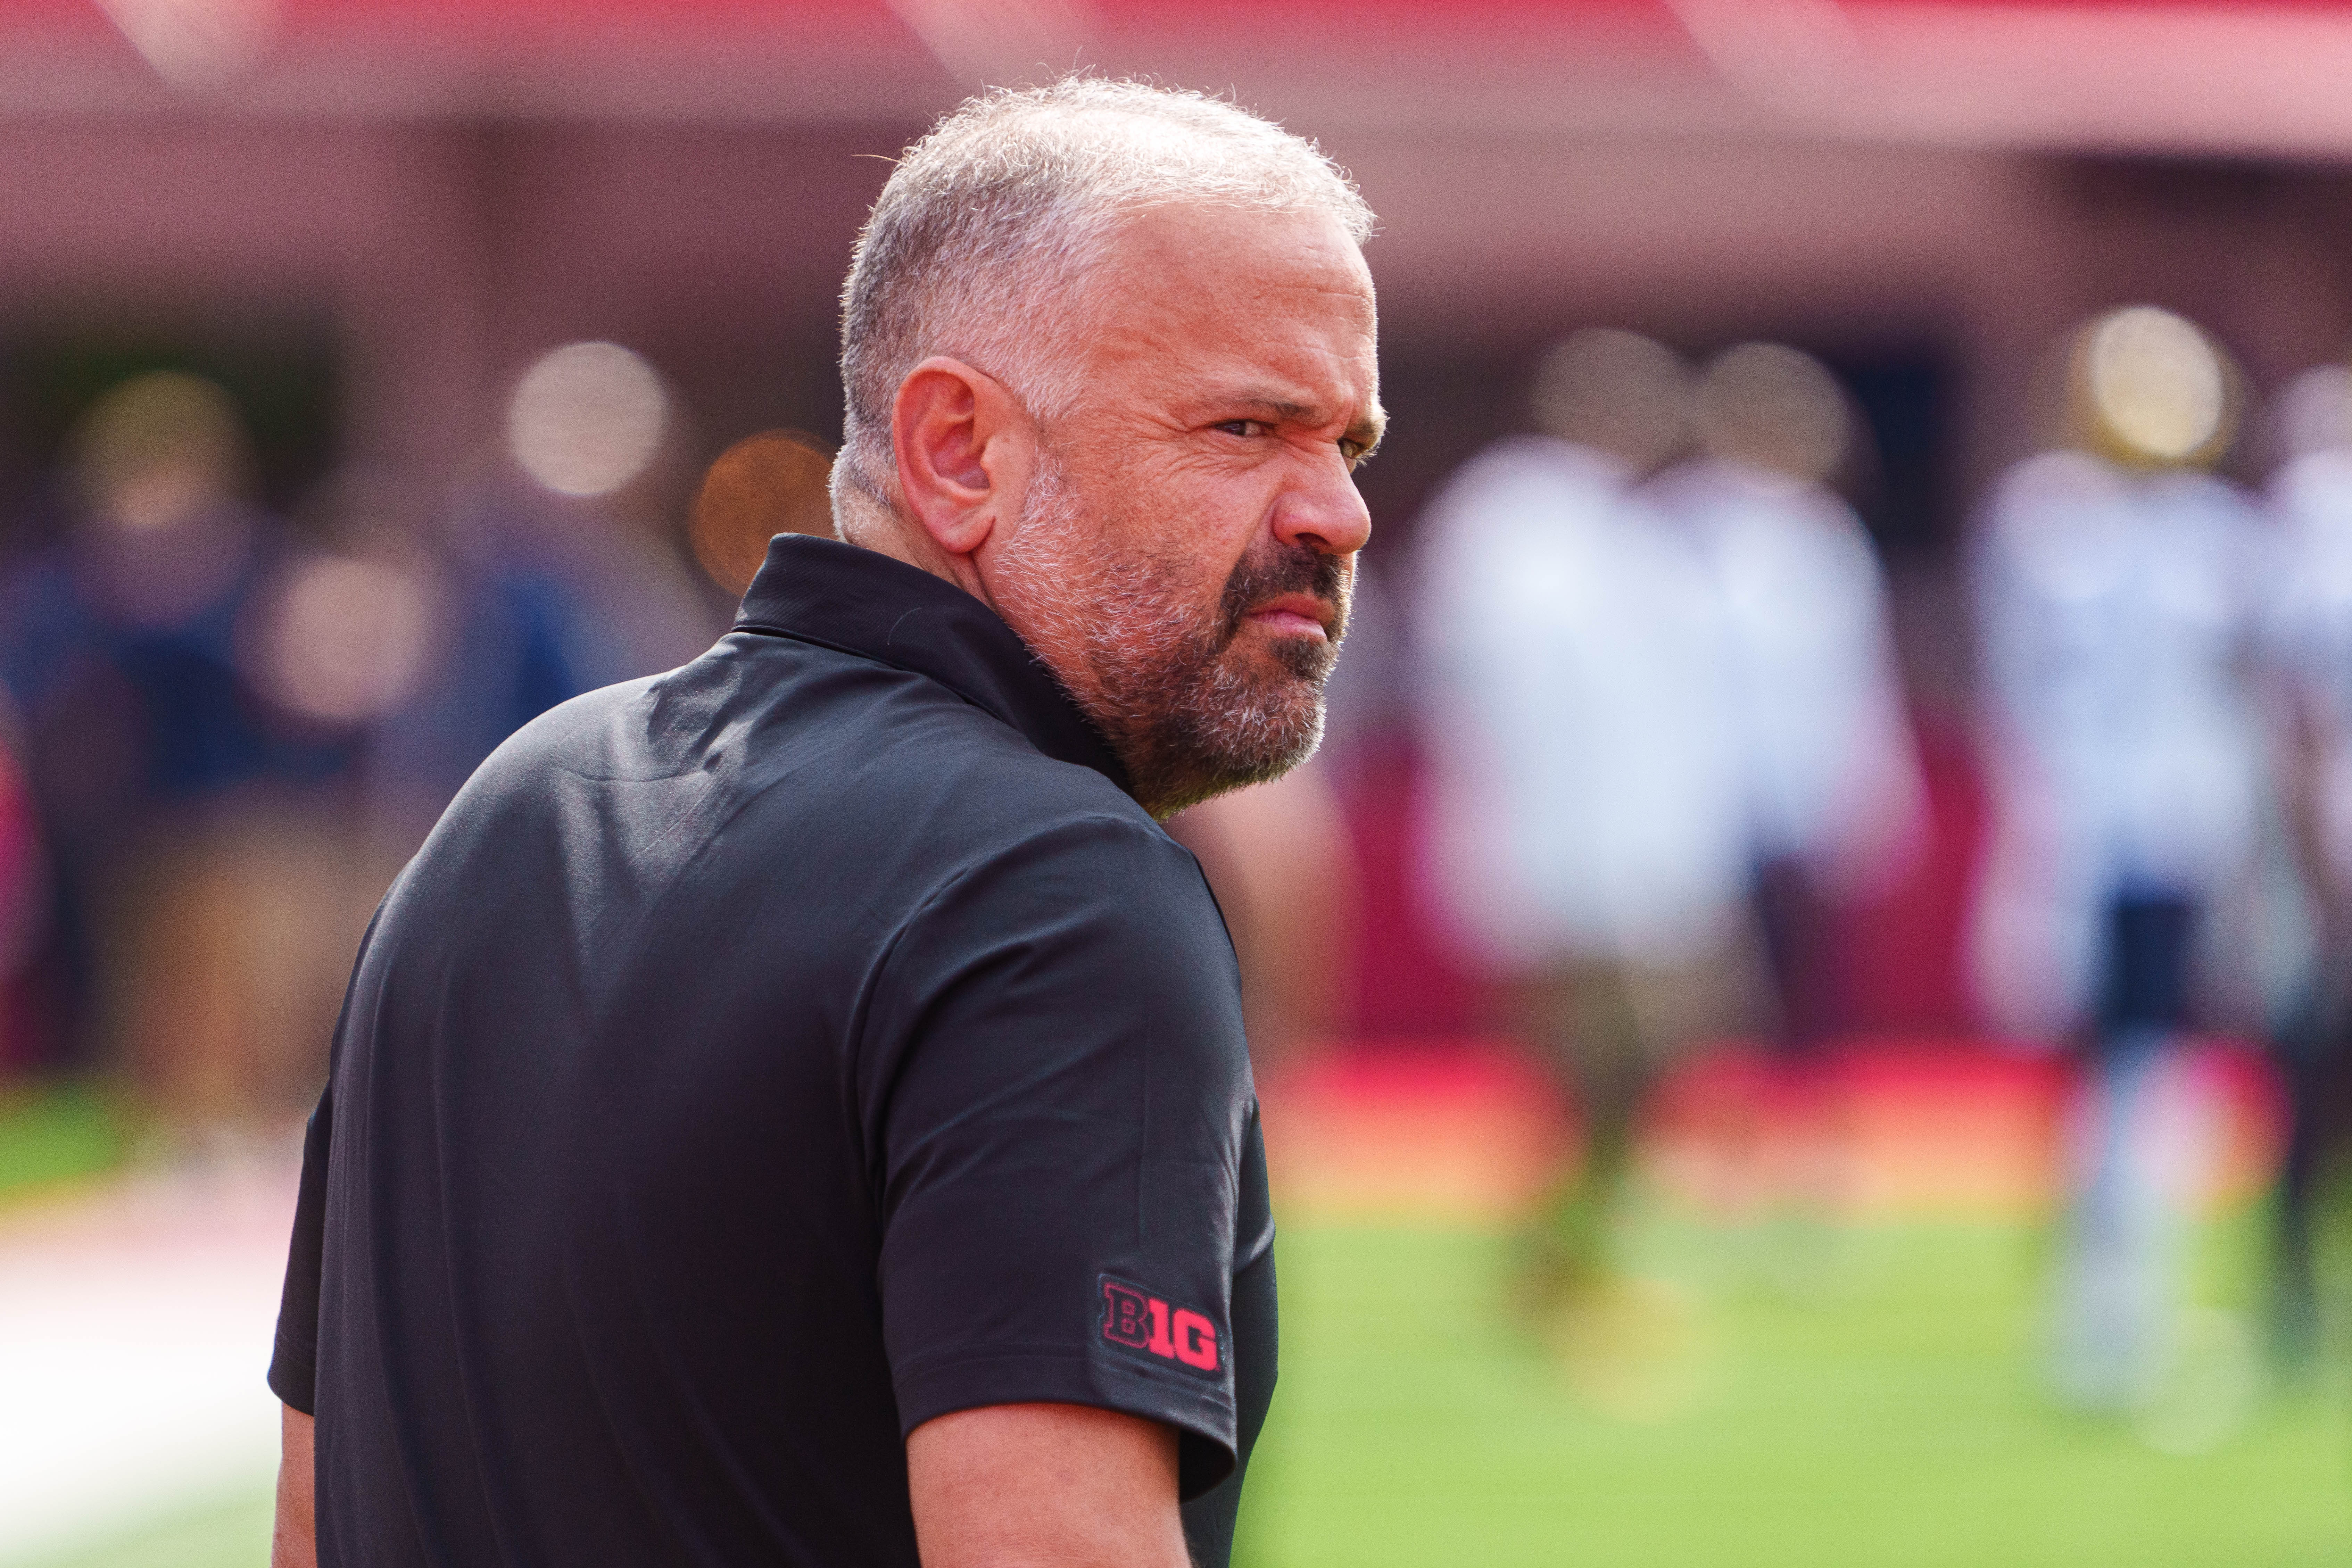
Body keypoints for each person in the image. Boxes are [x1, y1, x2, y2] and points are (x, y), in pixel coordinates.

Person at [268, 78, 1379, 1568]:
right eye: (1247, 426)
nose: (1335, 513)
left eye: (1347, 447)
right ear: (959, 451)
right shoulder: (1053, 889)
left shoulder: (514, 809)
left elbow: (313, 1524)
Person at [1415, 329, 1758, 1319]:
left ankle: (1574, 1246)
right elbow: (1501, 701)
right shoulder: (1513, 522)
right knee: (1580, 1069)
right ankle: (1557, 1262)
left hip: (1639, 857)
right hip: (1557, 856)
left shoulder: (1635, 532)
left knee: (1645, 1064)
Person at [1971, 305, 2271, 1412]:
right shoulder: (2055, 521)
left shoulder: (2208, 533)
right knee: (2114, 1075)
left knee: (2154, 1076)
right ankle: (2104, 1308)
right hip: (2088, 834)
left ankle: (2121, 1301)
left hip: (2182, 834)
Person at [1648, 344, 1924, 1247]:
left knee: (1814, 989)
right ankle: (1725, 1163)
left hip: (1801, 801)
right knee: (1721, 998)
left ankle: (1814, 1159)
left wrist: (1871, 794)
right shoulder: (1684, 536)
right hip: (1716, 801)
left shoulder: (1820, 537)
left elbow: (1855, 682)